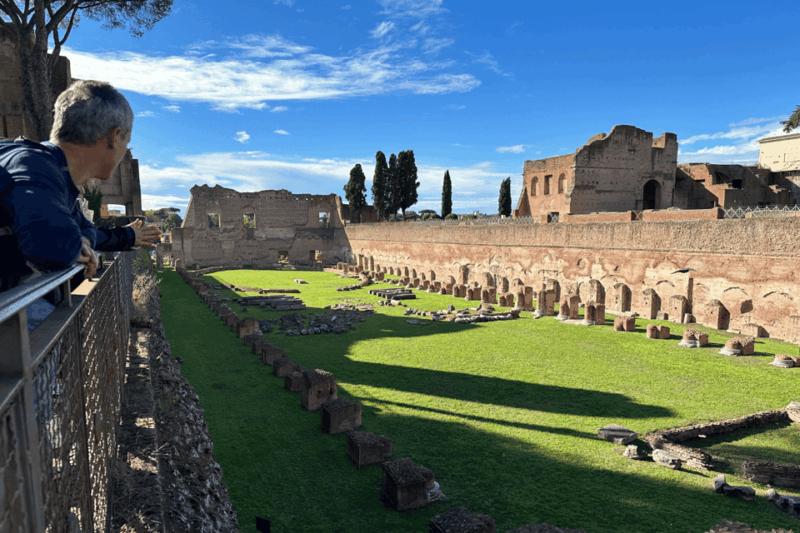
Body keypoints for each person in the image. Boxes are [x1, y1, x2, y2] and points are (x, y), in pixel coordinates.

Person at [0, 80, 159, 330]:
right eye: (126, 143)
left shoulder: (54, 175)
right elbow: (51, 248)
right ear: (114, 138)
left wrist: (85, 240)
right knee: (41, 321)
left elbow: (85, 229)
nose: (124, 150)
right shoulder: (33, 166)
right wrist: (79, 244)